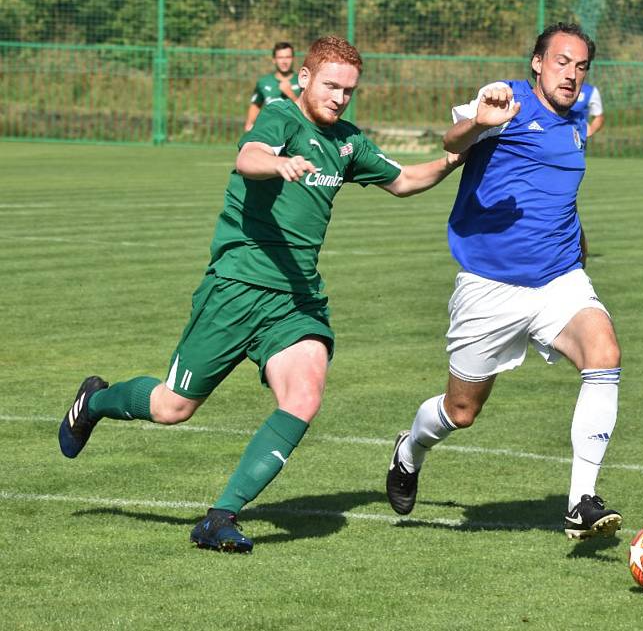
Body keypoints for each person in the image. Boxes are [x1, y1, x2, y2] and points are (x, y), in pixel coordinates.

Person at [59, 36, 464, 553]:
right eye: (331, 86)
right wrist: (278, 164)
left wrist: (456, 156)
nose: (340, 98)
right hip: (236, 288)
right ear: (305, 79)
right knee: (172, 407)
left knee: (304, 396)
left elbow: (405, 179)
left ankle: (219, 517)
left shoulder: (348, 142)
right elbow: (249, 155)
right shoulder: (280, 117)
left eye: (349, 90)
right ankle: (95, 401)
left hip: (295, 299)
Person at [385, 22, 623, 540]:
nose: (572, 75)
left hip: (559, 278)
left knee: (604, 353)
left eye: (581, 66)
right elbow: (453, 140)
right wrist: (478, 121)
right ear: (536, 63)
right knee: (461, 411)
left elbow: (559, 192)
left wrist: (578, 241)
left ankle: (581, 500)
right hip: (489, 286)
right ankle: (410, 449)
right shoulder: (506, 98)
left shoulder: (576, 122)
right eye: (562, 62)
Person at [243, 41, 302, 131]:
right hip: (270, 131)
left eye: (288, 57)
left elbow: (307, 111)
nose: (284, 61)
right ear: (274, 60)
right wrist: (249, 124)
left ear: (293, 58)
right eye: (280, 57)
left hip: (296, 131)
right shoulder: (264, 82)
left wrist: (290, 94)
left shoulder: (302, 81)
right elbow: (256, 105)